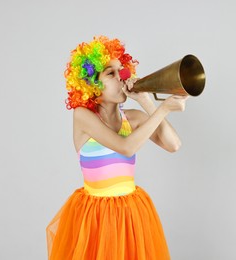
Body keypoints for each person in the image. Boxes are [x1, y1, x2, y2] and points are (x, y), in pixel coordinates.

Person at [46, 35, 188, 259]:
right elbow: (126, 148)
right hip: (95, 218)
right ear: (91, 84)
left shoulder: (132, 119)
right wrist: (164, 109)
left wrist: (146, 101)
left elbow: (174, 144)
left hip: (130, 215)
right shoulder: (83, 117)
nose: (121, 78)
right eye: (110, 73)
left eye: (121, 71)